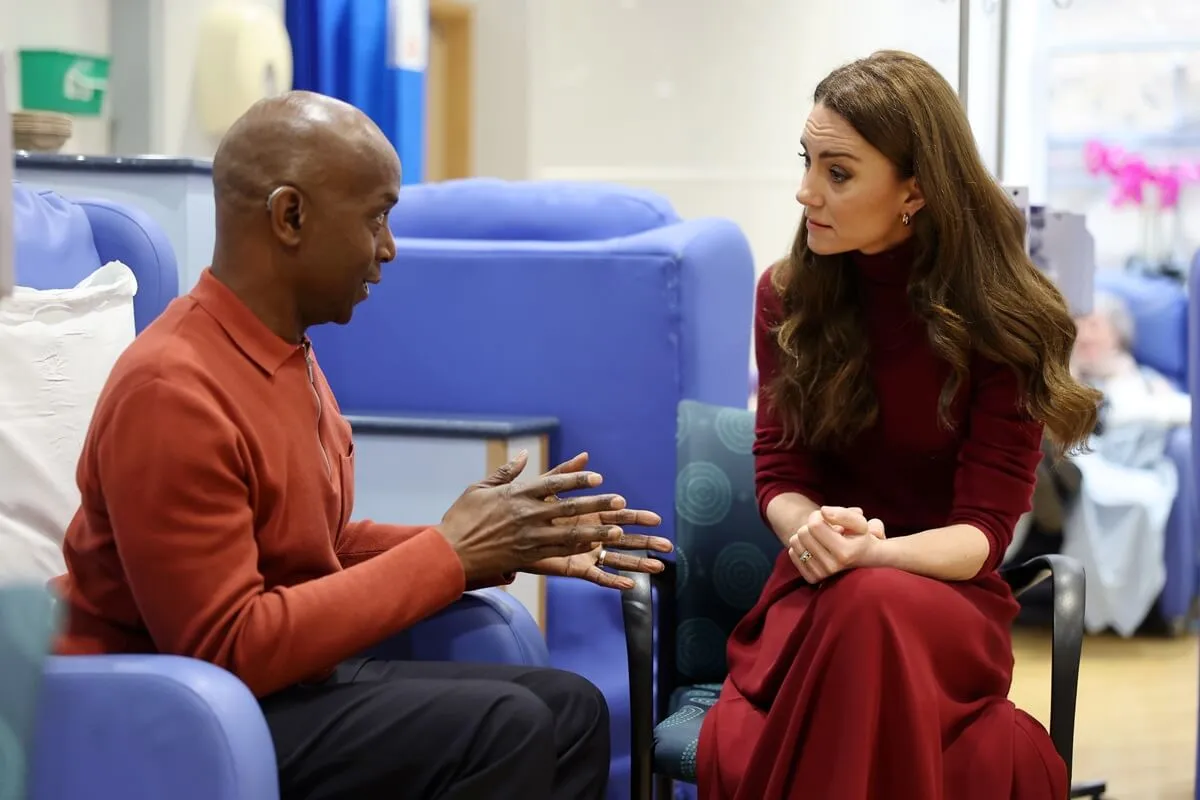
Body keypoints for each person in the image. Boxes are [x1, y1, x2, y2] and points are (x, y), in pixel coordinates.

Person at [51, 91, 672, 800]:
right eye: (376, 216)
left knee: (571, 710)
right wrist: (449, 554)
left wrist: (500, 541)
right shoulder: (171, 388)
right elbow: (227, 645)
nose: (389, 247)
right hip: (162, 708)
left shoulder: (286, 353)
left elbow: (313, 545)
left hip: (267, 688)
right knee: (507, 726)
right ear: (291, 217)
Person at [696, 51, 1101, 800]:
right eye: (807, 161)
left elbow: (983, 532)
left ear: (914, 190)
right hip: (815, 591)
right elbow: (781, 476)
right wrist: (814, 534)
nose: (805, 190)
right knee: (861, 607)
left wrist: (873, 557)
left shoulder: (1008, 320)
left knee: (871, 603)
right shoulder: (786, 296)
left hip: (945, 604)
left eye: (838, 172)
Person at [1057, 291, 1189, 636]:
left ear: (1117, 333)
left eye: (1095, 325)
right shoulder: (1067, 378)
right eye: (1079, 326)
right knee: (1066, 449)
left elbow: (1178, 411)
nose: (1085, 334)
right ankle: (1057, 480)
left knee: (1124, 492)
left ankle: (1061, 482)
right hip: (1080, 454)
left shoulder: (1144, 379)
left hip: (1128, 469)